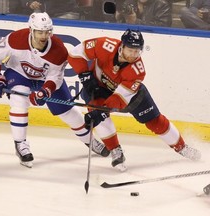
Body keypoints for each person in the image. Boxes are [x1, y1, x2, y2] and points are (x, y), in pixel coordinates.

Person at [0, 12, 109, 168]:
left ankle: (90, 141)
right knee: (19, 101)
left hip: (45, 80)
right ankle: (21, 145)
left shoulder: (59, 50)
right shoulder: (16, 38)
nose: (44, 35)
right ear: (31, 29)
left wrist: (45, 92)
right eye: (39, 31)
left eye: (47, 31)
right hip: (19, 74)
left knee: (69, 113)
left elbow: (55, 78)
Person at [67, 29, 201, 171]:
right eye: (130, 50)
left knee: (155, 122)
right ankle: (115, 151)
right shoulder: (104, 45)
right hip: (97, 88)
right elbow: (75, 54)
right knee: (100, 118)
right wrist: (85, 76)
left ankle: (182, 147)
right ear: (122, 46)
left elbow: (120, 97)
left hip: (130, 96)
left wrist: (102, 112)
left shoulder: (138, 70)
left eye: (137, 51)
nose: (134, 55)